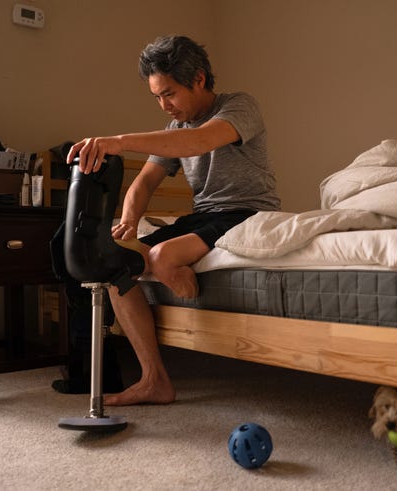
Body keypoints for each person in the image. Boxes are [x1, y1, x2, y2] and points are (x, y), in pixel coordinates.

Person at [66, 35, 280, 405]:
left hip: (247, 214)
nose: (164, 105)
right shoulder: (174, 129)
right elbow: (144, 182)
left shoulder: (240, 106)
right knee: (115, 267)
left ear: (198, 79)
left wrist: (119, 141)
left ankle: (172, 269)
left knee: (163, 257)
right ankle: (155, 380)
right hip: (204, 216)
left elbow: (199, 142)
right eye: (157, 98)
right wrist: (130, 220)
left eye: (170, 94)